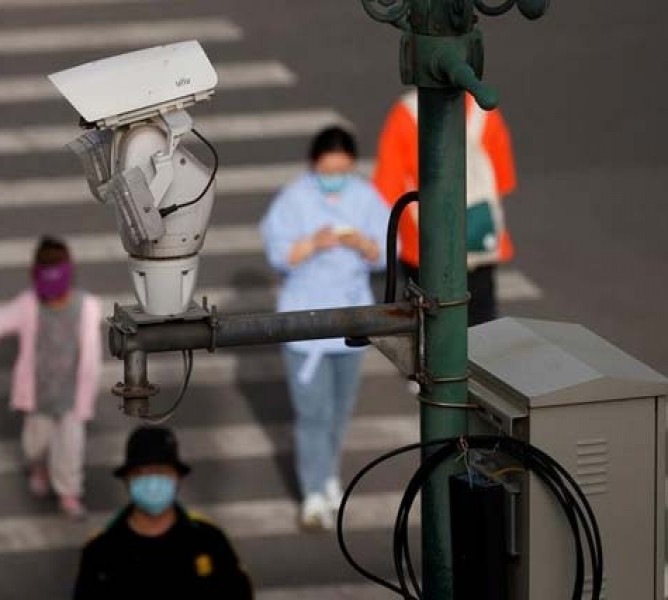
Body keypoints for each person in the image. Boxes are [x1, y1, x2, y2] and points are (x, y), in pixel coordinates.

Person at [259, 126, 389, 530]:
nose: (336, 177)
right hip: (306, 326)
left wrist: (363, 245)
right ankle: (313, 492)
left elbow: (385, 254)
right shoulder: (294, 200)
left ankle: (329, 476)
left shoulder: (366, 197)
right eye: (329, 169)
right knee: (312, 414)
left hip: (353, 325)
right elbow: (280, 255)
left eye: (343, 170)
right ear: (315, 165)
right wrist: (314, 243)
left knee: (339, 413)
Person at [0, 236, 102, 520]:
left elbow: (91, 357)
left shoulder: (87, 307)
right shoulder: (28, 305)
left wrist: (87, 398)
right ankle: (38, 467)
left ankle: (69, 492)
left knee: (70, 447)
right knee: (35, 444)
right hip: (37, 395)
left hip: (71, 396)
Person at [373, 89, 517, 326]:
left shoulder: (407, 113)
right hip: (479, 240)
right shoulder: (485, 111)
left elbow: (388, 185)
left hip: (422, 246)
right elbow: (503, 179)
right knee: (481, 326)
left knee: (429, 328)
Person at [73, 426, 253, 599]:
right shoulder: (100, 551)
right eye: (141, 473)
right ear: (127, 481)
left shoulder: (208, 539)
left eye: (161, 472)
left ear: (177, 478)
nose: (152, 483)